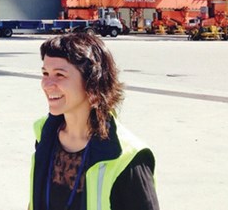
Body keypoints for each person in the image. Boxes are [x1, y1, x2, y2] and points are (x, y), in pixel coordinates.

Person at [29, 33, 159, 210]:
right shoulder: (44, 133)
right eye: (45, 73)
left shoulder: (128, 157)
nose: (47, 84)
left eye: (59, 74)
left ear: (92, 83)